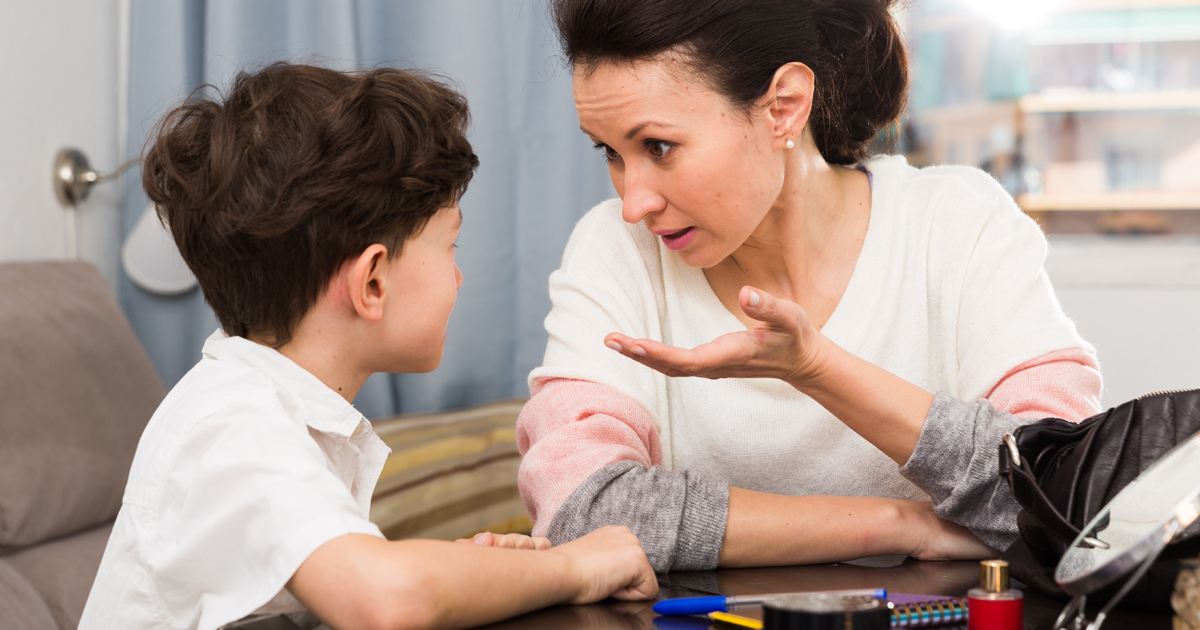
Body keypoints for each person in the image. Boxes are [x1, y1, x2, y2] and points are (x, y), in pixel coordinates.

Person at [510, 0, 1103, 572]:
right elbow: (581, 506)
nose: (633, 203)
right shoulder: (616, 252)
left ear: (783, 108)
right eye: (611, 152)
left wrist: (817, 367)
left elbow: (1064, 496)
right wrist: (897, 525)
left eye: (658, 147)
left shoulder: (957, 224)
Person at [78, 62, 656, 630]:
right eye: (451, 245)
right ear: (372, 282)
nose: (458, 277)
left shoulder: (267, 408)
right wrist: (574, 567)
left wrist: (471, 572)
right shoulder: (231, 425)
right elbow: (383, 600)